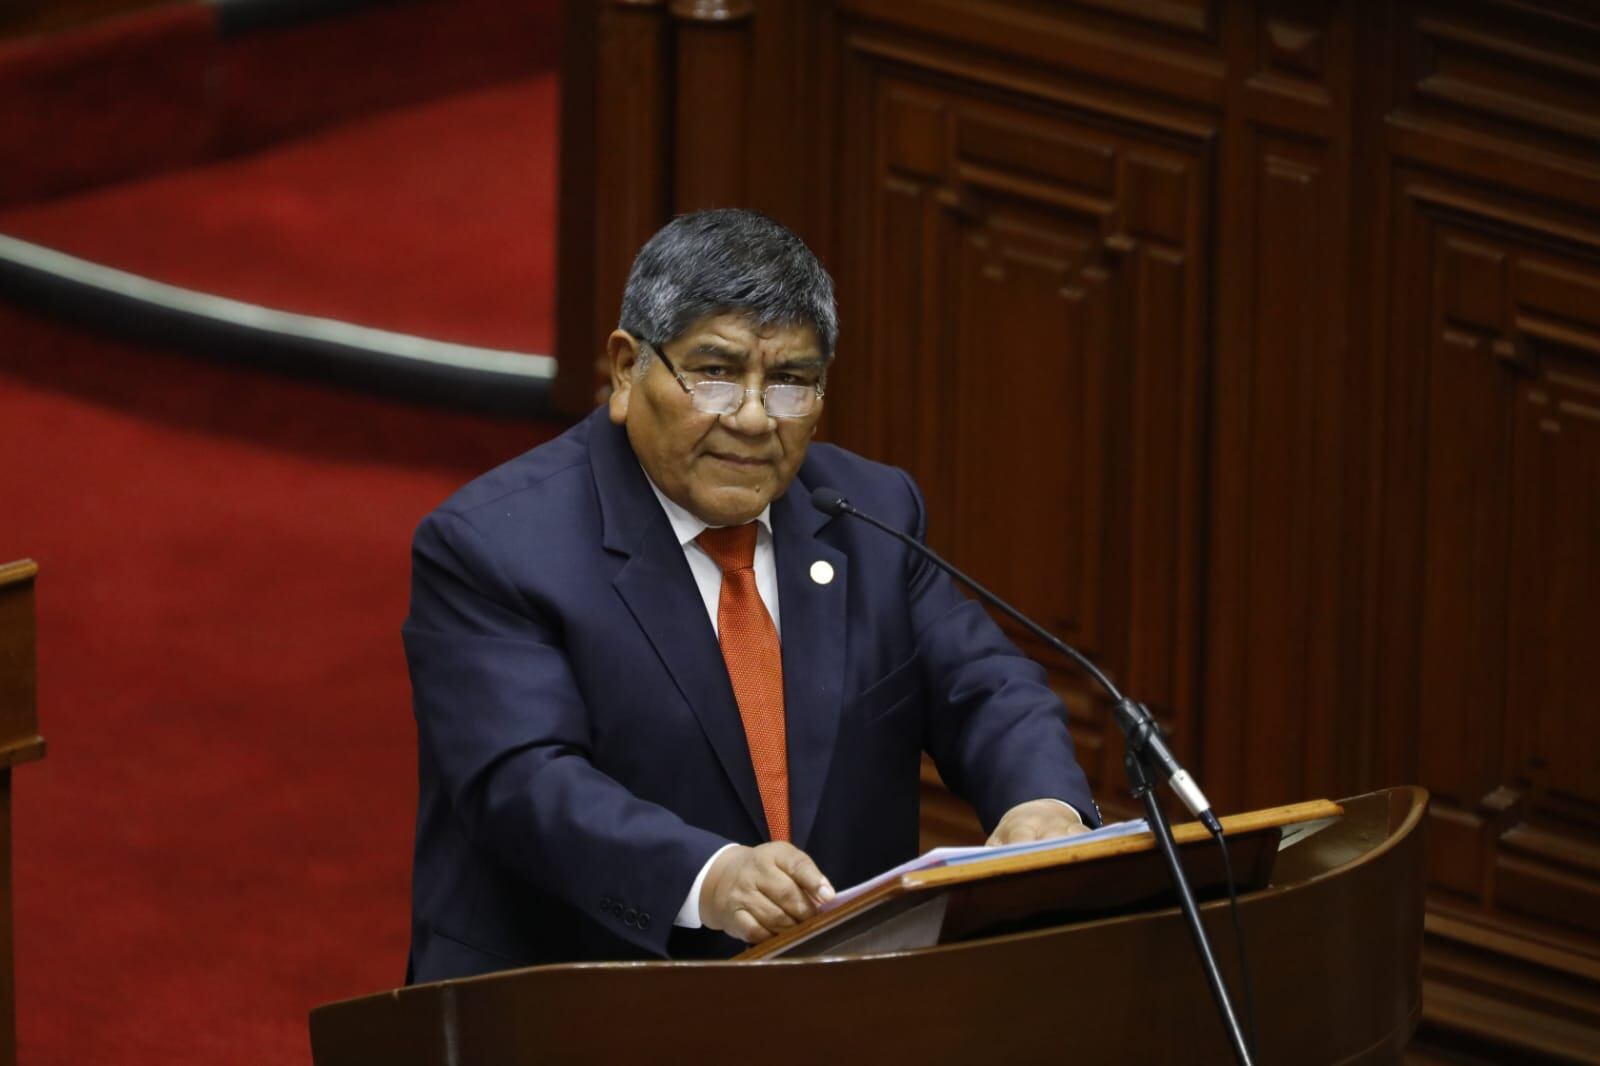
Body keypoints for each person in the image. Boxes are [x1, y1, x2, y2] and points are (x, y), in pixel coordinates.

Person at [402, 209, 1098, 984]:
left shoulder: (869, 511)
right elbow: (524, 783)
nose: (757, 417)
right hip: (576, 1000)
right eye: (716, 373)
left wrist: (1044, 807)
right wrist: (708, 876)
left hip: (831, 1004)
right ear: (628, 370)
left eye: (792, 381)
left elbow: (986, 687)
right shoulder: (494, 546)